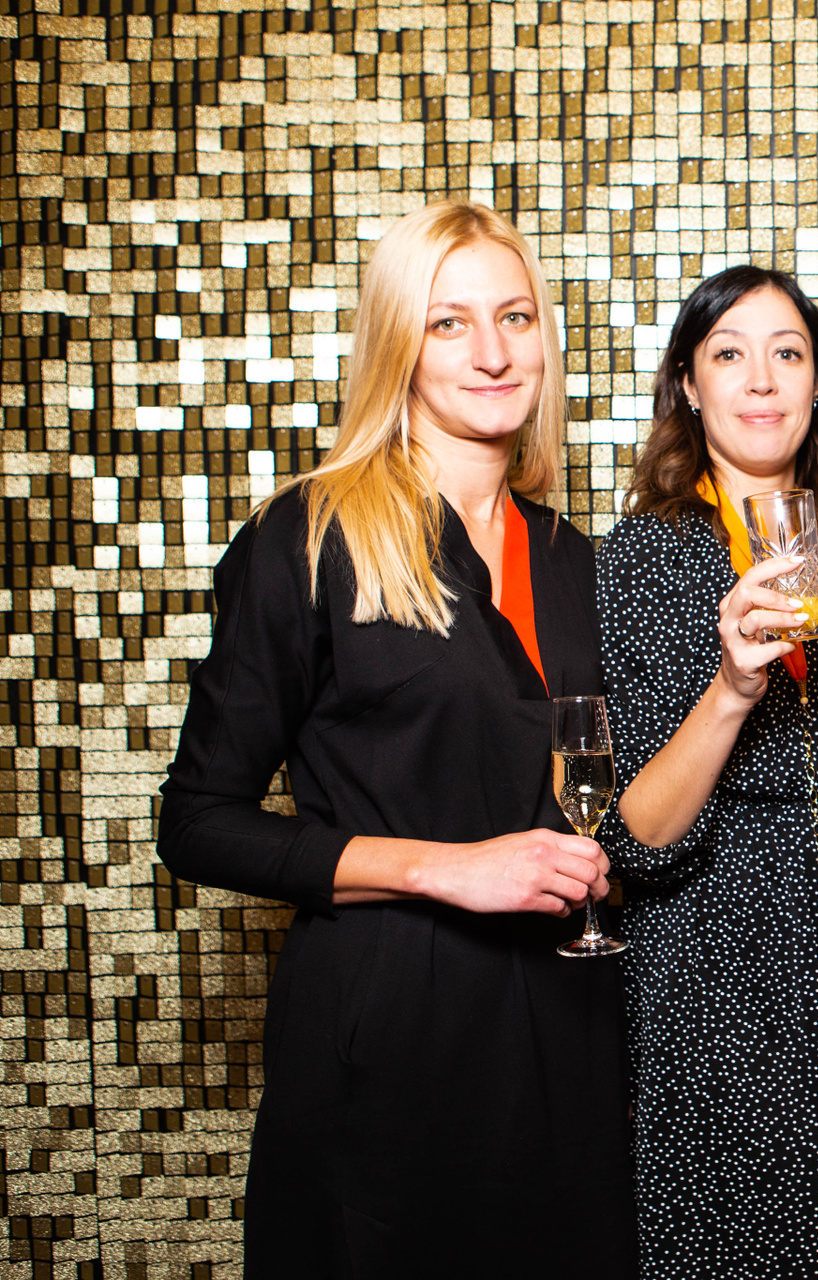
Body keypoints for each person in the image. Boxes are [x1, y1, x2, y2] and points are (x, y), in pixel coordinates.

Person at [156, 202, 631, 1276]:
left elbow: (598, 796)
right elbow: (197, 822)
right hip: (389, 1039)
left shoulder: (570, 557)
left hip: (564, 1034)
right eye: (449, 322)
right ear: (396, 346)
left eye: (515, 316)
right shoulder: (308, 535)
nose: (494, 352)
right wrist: (443, 868)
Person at [594, 265, 818, 1277]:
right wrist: (733, 686)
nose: (762, 379)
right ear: (689, 386)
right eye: (729, 353)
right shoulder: (645, 558)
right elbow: (635, 838)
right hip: (715, 973)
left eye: (788, 353)